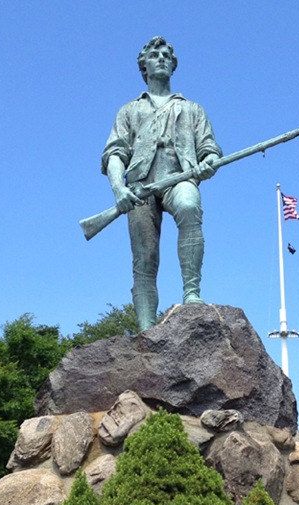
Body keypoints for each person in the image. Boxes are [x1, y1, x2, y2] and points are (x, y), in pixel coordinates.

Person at [102, 36, 222, 332]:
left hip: (179, 177)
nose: (161, 59)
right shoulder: (129, 110)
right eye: (155, 55)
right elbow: (115, 153)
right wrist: (119, 189)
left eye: (166, 55)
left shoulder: (192, 109)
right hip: (140, 187)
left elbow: (209, 149)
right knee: (145, 258)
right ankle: (146, 330)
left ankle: (191, 293)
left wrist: (209, 161)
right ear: (143, 66)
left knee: (189, 205)